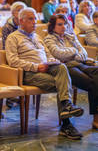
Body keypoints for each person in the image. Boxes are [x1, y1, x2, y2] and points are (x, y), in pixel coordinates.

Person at [6, 8, 84, 140]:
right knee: (63, 83)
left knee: (62, 67)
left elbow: (47, 54)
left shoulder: (37, 37)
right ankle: (66, 123)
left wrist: (51, 61)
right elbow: (12, 61)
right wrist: (36, 67)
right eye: (30, 19)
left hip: (47, 68)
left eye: (35, 19)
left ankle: (66, 107)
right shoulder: (13, 38)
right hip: (29, 73)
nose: (34, 22)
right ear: (21, 21)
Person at [44, 14, 98, 130]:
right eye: (60, 24)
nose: (63, 27)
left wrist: (74, 54)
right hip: (66, 67)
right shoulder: (49, 39)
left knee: (97, 74)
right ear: (53, 27)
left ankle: (96, 117)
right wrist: (75, 51)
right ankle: (96, 118)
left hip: (80, 64)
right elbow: (58, 53)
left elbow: (84, 53)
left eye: (65, 24)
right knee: (92, 82)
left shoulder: (70, 36)